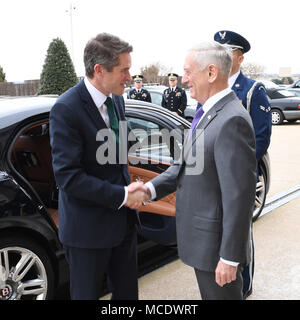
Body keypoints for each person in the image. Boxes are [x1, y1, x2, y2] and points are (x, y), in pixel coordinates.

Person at [137, 41, 257, 300]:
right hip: (204, 247)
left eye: (189, 71)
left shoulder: (231, 120)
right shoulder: (207, 112)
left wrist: (230, 257)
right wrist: (149, 188)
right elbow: (185, 165)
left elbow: (239, 197)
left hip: (216, 252)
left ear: (211, 73)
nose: (184, 79)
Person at [49, 33, 146, 300]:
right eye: (124, 70)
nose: (129, 76)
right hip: (87, 233)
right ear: (99, 70)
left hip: (124, 227)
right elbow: (68, 177)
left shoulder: (117, 100)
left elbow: (118, 156)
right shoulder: (66, 109)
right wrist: (124, 195)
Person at [214, 30, 272, 299]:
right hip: (214, 175)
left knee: (240, 229)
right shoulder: (215, 86)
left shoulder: (251, 90)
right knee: (219, 228)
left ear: (239, 57)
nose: (221, 57)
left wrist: (240, 170)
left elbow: (261, 137)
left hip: (240, 176)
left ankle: (244, 283)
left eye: (227, 52)